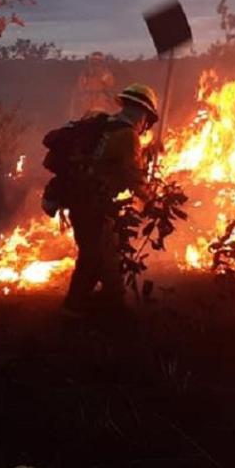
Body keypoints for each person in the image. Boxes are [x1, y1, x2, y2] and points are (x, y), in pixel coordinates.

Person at [41, 83, 159, 316]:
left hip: (79, 200)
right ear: (144, 115)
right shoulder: (128, 136)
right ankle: (82, 310)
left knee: (101, 255)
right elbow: (133, 177)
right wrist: (152, 200)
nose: (146, 127)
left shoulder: (103, 124)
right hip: (91, 204)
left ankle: (102, 306)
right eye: (148, 121)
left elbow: (106, 162)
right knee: (96, 256)